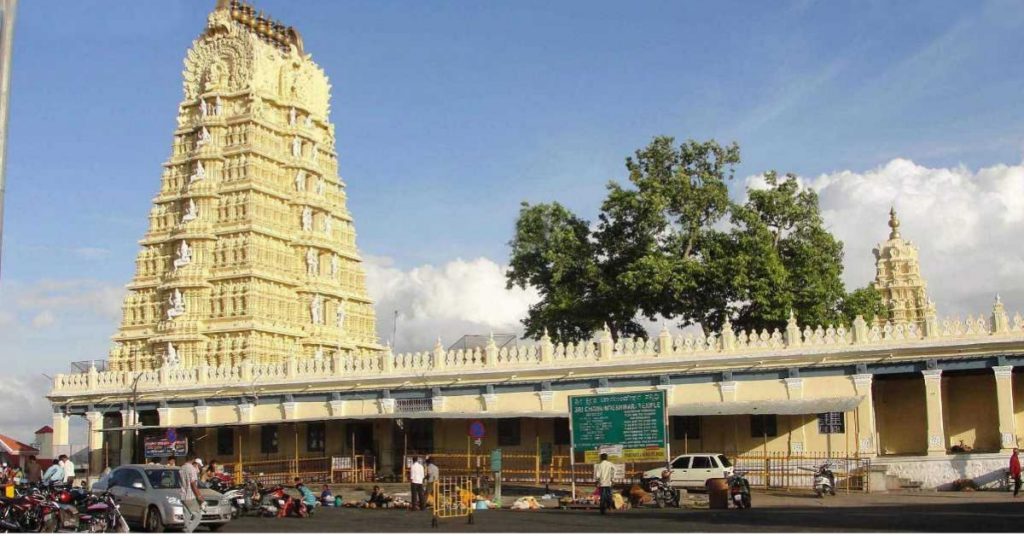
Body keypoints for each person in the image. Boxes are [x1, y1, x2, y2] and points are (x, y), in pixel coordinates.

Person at [179, 456, 205, 533]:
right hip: (190, 496)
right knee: (198, 516)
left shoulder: (181, 468)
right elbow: (193, 484)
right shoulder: (192, 469)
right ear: (193, 460)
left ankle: (187, 530)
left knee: (186, 516)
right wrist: (199, 496)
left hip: (183, 496)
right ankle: (187, 530)